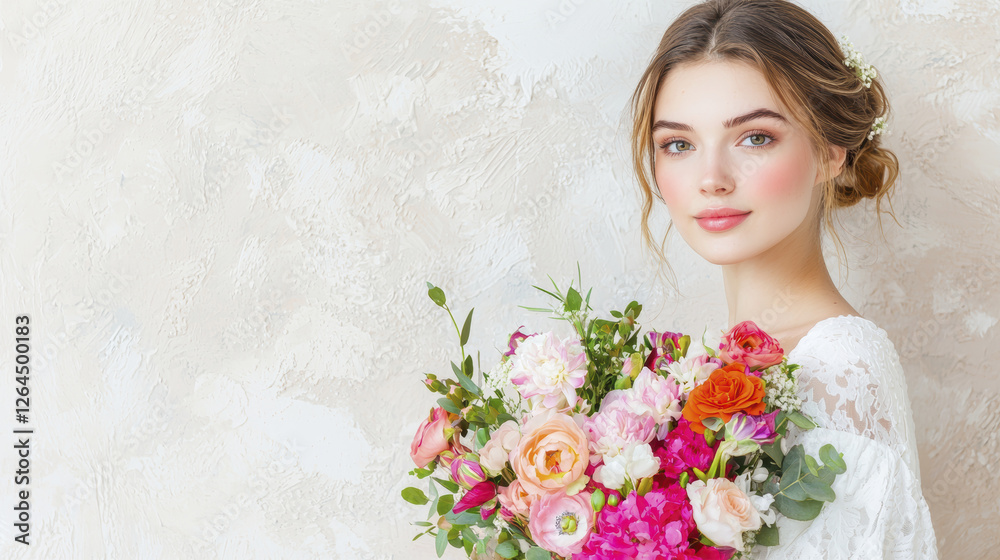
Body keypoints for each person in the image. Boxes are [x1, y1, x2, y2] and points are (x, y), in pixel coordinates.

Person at [626, 0, 938, 557]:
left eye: (755, 138)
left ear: (829, 152)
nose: (712, 178)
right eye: (679, 144)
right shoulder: (703, 367)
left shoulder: (834, 367)